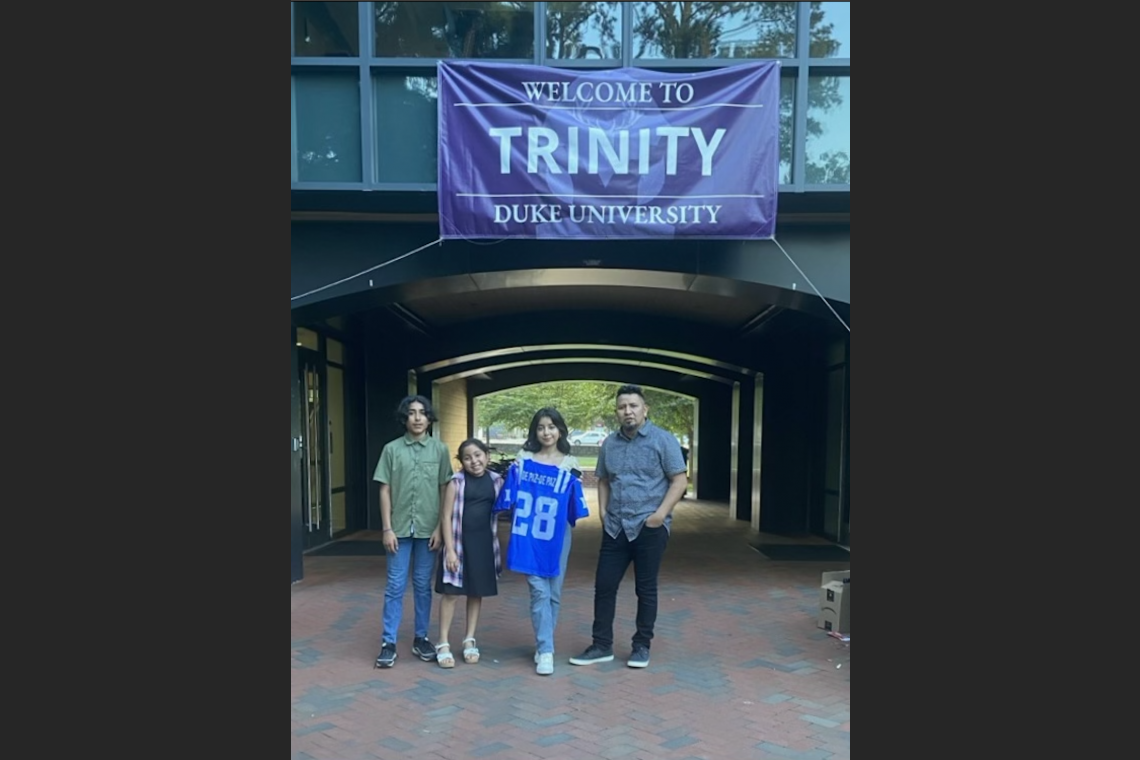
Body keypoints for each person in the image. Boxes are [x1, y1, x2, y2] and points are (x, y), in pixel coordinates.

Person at [569, 385, 687, 669]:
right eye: (622, 407)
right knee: (604, 586)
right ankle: (601, 645)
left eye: (633, 406)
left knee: (645, 589)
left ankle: (641, 645)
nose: (628, 411)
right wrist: (604, 514)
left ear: (645, 409)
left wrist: (659, 515)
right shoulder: (610, 443)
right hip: (615, 527)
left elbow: (679, 480)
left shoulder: (663, 440)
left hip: (650, 526)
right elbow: (604, 481)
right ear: (616, 412)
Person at [493, 407, 589, 676]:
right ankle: (546, 649)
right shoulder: (523, 461)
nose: (546, 432)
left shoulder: (569, 465)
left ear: (560, 430)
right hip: (528, 534)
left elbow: (574, 508)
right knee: (539, 590)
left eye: (551, 426)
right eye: (541, 427)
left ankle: (543, 642)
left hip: (558, 536)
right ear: (535, 431)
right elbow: (508, 494)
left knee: (554, 592)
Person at [372, 395, 455, 669]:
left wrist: (439, 529)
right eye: (411, 413)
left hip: (427, 531)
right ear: (404, 418)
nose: (417, 418)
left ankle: (421, 638)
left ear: (429, 418)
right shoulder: (391, 450)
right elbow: (384, 489)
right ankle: (388, 643)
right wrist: (386, 528)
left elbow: (446, 490)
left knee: (422, 586)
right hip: (398, 530)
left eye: (422, 413)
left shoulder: (440, 450)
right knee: (395, 586)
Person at [433, 438, 504, 668]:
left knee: (476, 593)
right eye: (467, 457)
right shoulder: (457, 482)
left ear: (486, 456)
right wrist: (450, 551)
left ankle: (469, 639)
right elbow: (445, 517)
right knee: (451, 593)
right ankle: (442, 642)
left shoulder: (496, 481)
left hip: (484, 545)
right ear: (461, 462)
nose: (474, 461)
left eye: (477, 455)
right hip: (458, 545)